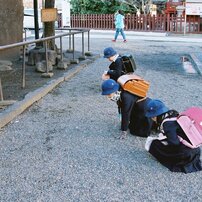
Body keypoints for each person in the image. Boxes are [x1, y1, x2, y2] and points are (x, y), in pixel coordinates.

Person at [144, 99, 202, 173]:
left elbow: (174, 143)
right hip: (195, 151)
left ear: (156, 115)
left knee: (154, 144)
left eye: (152, 116)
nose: (152, 118)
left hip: (185, 155)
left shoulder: (166, 124)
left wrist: (165, 142)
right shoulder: (174, 114)